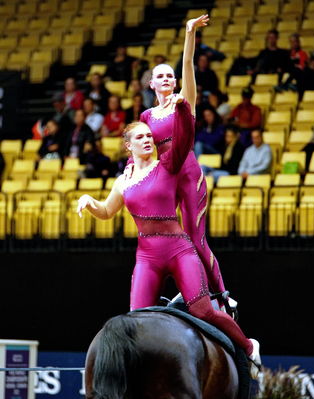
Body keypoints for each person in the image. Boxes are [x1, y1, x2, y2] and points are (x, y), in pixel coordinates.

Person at [77, 98, 261, 376]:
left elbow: (185, 137)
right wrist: (88, 200)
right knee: (135, 321)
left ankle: (248, 348)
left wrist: (184, 110)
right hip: (147, 256)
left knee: (202, 310)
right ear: (129, 145)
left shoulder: (168, 165)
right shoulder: (123, 179)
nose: (148, 140)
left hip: (178, 250)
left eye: (150, 135)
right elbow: (105, 211)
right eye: (140, 137)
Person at [139, 15, 227, 303]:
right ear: (151, 84)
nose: (165, 79)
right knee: (166, 238)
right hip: (164, 178)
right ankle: (189, 289)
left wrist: (189, 34)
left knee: (195, 238)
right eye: (160, 76)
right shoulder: (146, 117)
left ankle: (221, 295)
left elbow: (188, 64)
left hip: (187, 173)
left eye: (169, 75)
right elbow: (145, 153)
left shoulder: (184, 100)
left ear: (174, 81)